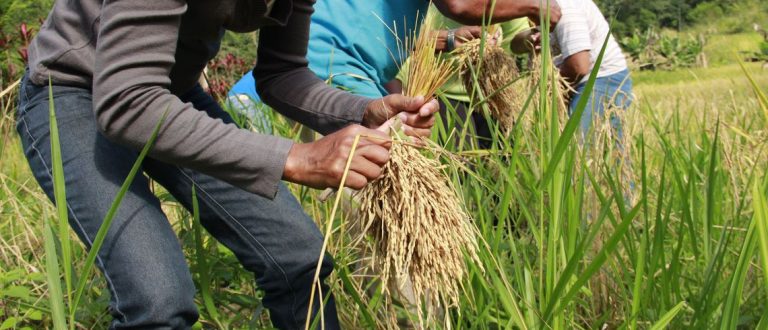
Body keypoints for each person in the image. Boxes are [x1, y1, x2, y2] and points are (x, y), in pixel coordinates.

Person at [16, 1, 557, 329]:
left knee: (301, 260)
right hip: (74, 94)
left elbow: (282, 74)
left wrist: (364, 110)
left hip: (172, 94)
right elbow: (127, 100)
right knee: (157, 300)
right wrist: (297, 157)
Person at [512, 0, 633, 140]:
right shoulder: (539, 9)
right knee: (604, 148)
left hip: (601, 79)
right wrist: (530, 39)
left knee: (577, 145)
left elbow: (578, 67)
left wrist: (552, 91)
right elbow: (515, 46)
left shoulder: (565, 8)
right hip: (577, 79)